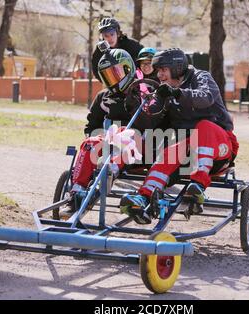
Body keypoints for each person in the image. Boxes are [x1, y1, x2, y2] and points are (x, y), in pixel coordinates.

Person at [119, 48, 238, 224]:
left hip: (220, 147)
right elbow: (150, 121)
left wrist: (178, 93)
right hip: (189, 152)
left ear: (176, 67)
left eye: (162, 70)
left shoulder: (200, 77)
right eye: (157, 71)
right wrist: (134, 103)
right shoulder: (165, 91)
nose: (159, 75)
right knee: (170, 152)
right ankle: (143, 199)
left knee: (203, 127)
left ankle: (197, 186)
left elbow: (206, 97)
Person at [68, 48, 154, 214]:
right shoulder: (103, 97)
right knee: (88, 143)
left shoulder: (145, 93)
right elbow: (92, 125)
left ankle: (106, 176)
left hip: (137, 151)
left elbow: (150, 125)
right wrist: (97, 142)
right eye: (107, 75)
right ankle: (76, 194)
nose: (112, 79)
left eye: (115, 73)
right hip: (110, 146)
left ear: (128, 69)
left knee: (126, 135)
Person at [91, 17, 143, 82]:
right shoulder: (100, 50)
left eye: (112, 34)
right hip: (114, 84)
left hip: (135, 81)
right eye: (106, 36)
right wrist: (108, 82)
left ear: (118, 33)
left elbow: (144, 58)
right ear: (102, 37)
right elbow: (96, 70)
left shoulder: (131, 44)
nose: (110, 38)